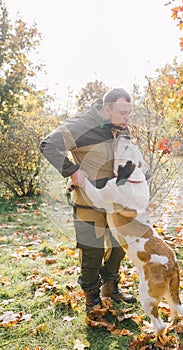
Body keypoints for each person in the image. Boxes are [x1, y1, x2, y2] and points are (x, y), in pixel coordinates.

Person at [39, 88, 136, 313]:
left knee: (119, 244)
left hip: (117, 199)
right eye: (122, 113)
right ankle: (91, 298)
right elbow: (47, 145)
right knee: (92, 250)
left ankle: (110, 287)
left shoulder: (122, 128)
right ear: (107, 109)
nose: (127, 119)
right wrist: (71, 171)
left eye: (129, 113)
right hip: (88, 201)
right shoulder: (81, 126)